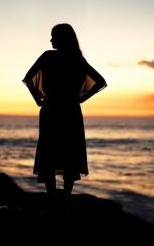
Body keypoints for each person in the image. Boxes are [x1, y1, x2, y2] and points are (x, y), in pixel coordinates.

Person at [23, 24, 106, 198]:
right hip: (70, 110)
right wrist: (81, 98)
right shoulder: (77, 59)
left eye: (53, 36)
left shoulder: (48, 57)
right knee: (70, 151)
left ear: (62, 38)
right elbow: (99, 82)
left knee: (49, 151)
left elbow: (28, 79)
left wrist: (38, 99)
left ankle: (52, 196)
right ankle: (66, 197)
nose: (51, 40)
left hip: (51, 109)